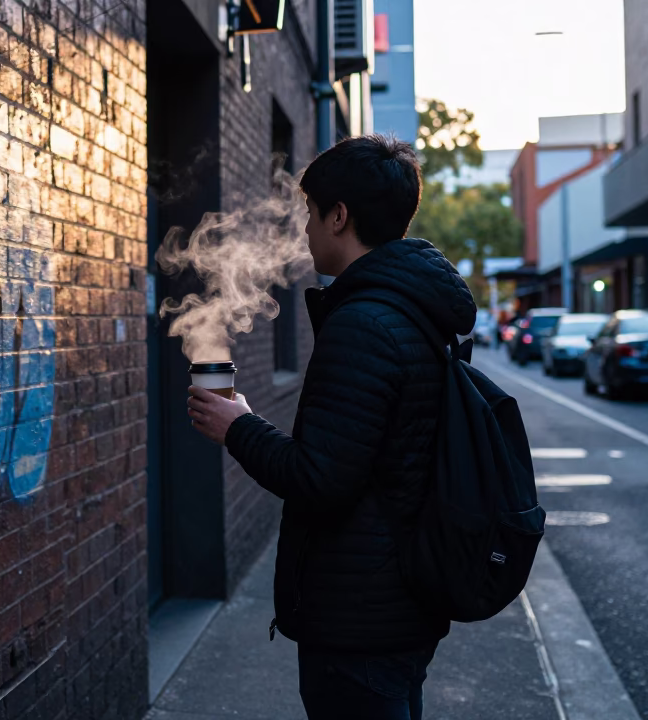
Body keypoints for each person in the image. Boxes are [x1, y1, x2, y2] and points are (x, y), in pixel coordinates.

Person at [185, 135, 476, 720]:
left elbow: (321, 478)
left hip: (359, 618)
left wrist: (238, 428)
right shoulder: (411, 308)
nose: (305, 229)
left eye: (311, 213)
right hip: (397, 604)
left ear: (339, 216)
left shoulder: (363, 323)